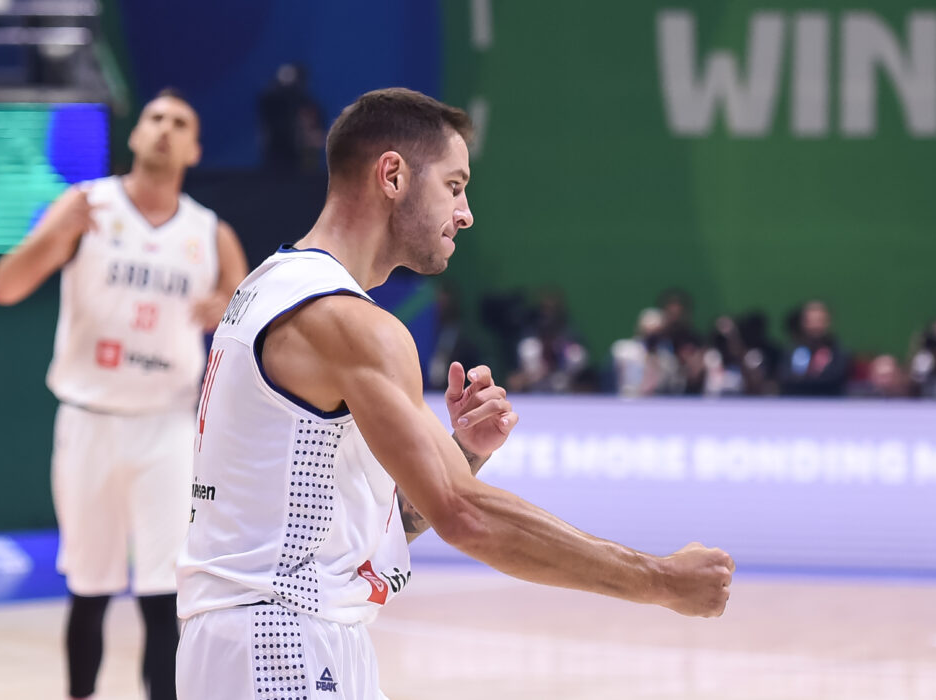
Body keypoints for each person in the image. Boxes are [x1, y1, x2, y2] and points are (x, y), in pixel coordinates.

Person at [175, 87, 733, 699]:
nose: (465, 213)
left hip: (275, 635)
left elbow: (372, 528)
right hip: (279, 641)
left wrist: (461, 455)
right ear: (392, 175)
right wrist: (660, 580)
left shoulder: (275, 284)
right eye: (455, 185)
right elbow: (464, 516)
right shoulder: (347, 321)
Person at [0, 90, 248, 700]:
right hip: (89, 419)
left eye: (179, 122)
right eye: (155, 118)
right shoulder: (87, 206)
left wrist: (226, 311)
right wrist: (55, 240)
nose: (164, 129)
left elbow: (245, 326)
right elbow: (4, 286)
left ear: (194, 148)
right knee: (89, 587)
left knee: (164, 591)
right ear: (135, 134)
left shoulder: (212, 234)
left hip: (167, 425)